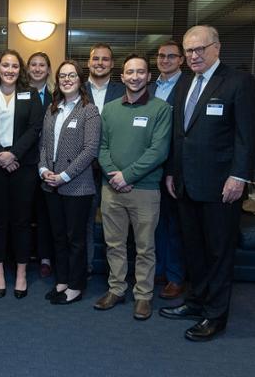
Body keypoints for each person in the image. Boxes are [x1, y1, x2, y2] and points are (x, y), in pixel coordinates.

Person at [160, 25, 255, 341]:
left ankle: (215, 316)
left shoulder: (238, 82)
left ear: (217, 47)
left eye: (200, 48)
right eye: (189, 50)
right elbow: (181, 133)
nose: (194, 55)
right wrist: (173, 172)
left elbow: (247, 136)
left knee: (218, 252)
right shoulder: (186, 81)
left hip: (221, 187)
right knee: (194, 250)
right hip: (187, 184)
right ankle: (196, 302)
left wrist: (239, 176)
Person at [94, 54, 172, 321]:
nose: (135, 76)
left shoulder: (160, 109)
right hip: (111, 188)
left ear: (148, 77)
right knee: (113, 244)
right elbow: (100, 147)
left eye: (140, 72)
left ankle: (143, 296)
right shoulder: (110, 108)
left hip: (145, 189)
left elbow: (159, 151)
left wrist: (127, 176)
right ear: (123, 76)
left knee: (145, 247)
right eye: (130, 72)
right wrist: (114, 176)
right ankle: (116, 289)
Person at [0, 49, 43, 299]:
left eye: (15, 66)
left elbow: (35, 128)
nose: (10, 70)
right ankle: (0, 273)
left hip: (22, 168)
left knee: (22, 221)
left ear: (20, 69)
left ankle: (22, 273)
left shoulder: (31, 94)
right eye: (6, 65)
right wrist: (1, 155)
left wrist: (13, 154)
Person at [39, 60, 101, 304]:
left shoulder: (89, 110)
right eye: (62, 75)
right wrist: (43, 169)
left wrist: (64, 176)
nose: (66, 79)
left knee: (76, 239)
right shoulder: (53, 108)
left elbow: (90, 150)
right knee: (58, 237)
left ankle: (76, 285)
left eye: (71, 75)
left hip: (77, 186)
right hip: (50, 184)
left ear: (80, 79)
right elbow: (43, 144)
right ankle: (62, 280)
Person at [149, 40, 188, 300]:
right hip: (150, 167)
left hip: (176, 166)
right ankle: (159, 270)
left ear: (181, 60)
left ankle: (175, 277)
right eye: (161, 56)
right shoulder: (150, 87)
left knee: (175, 225)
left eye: (171, 56)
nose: (165, 60)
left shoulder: (189, 86)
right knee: (155, 223)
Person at [85, 43, 125, 275]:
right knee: (85, 223)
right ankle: (86, 268)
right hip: (84, 169)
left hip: (114, 166)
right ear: (89, 63)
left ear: (112, 63)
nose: (100, 63)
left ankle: (116, 276)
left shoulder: (124, 91)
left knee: (115, 226)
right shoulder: (77, 89)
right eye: (96, 59)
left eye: (105, 59)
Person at [27, 51, 55, 278]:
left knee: (46, 212)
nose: (37, 69)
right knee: (23, 212)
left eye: (42, 65)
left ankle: (45, 257)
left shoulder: (56, 97)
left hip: (48, 163)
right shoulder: (16, 94)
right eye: (33, 65)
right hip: (22, 163)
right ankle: (21, 256)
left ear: (48, 70)